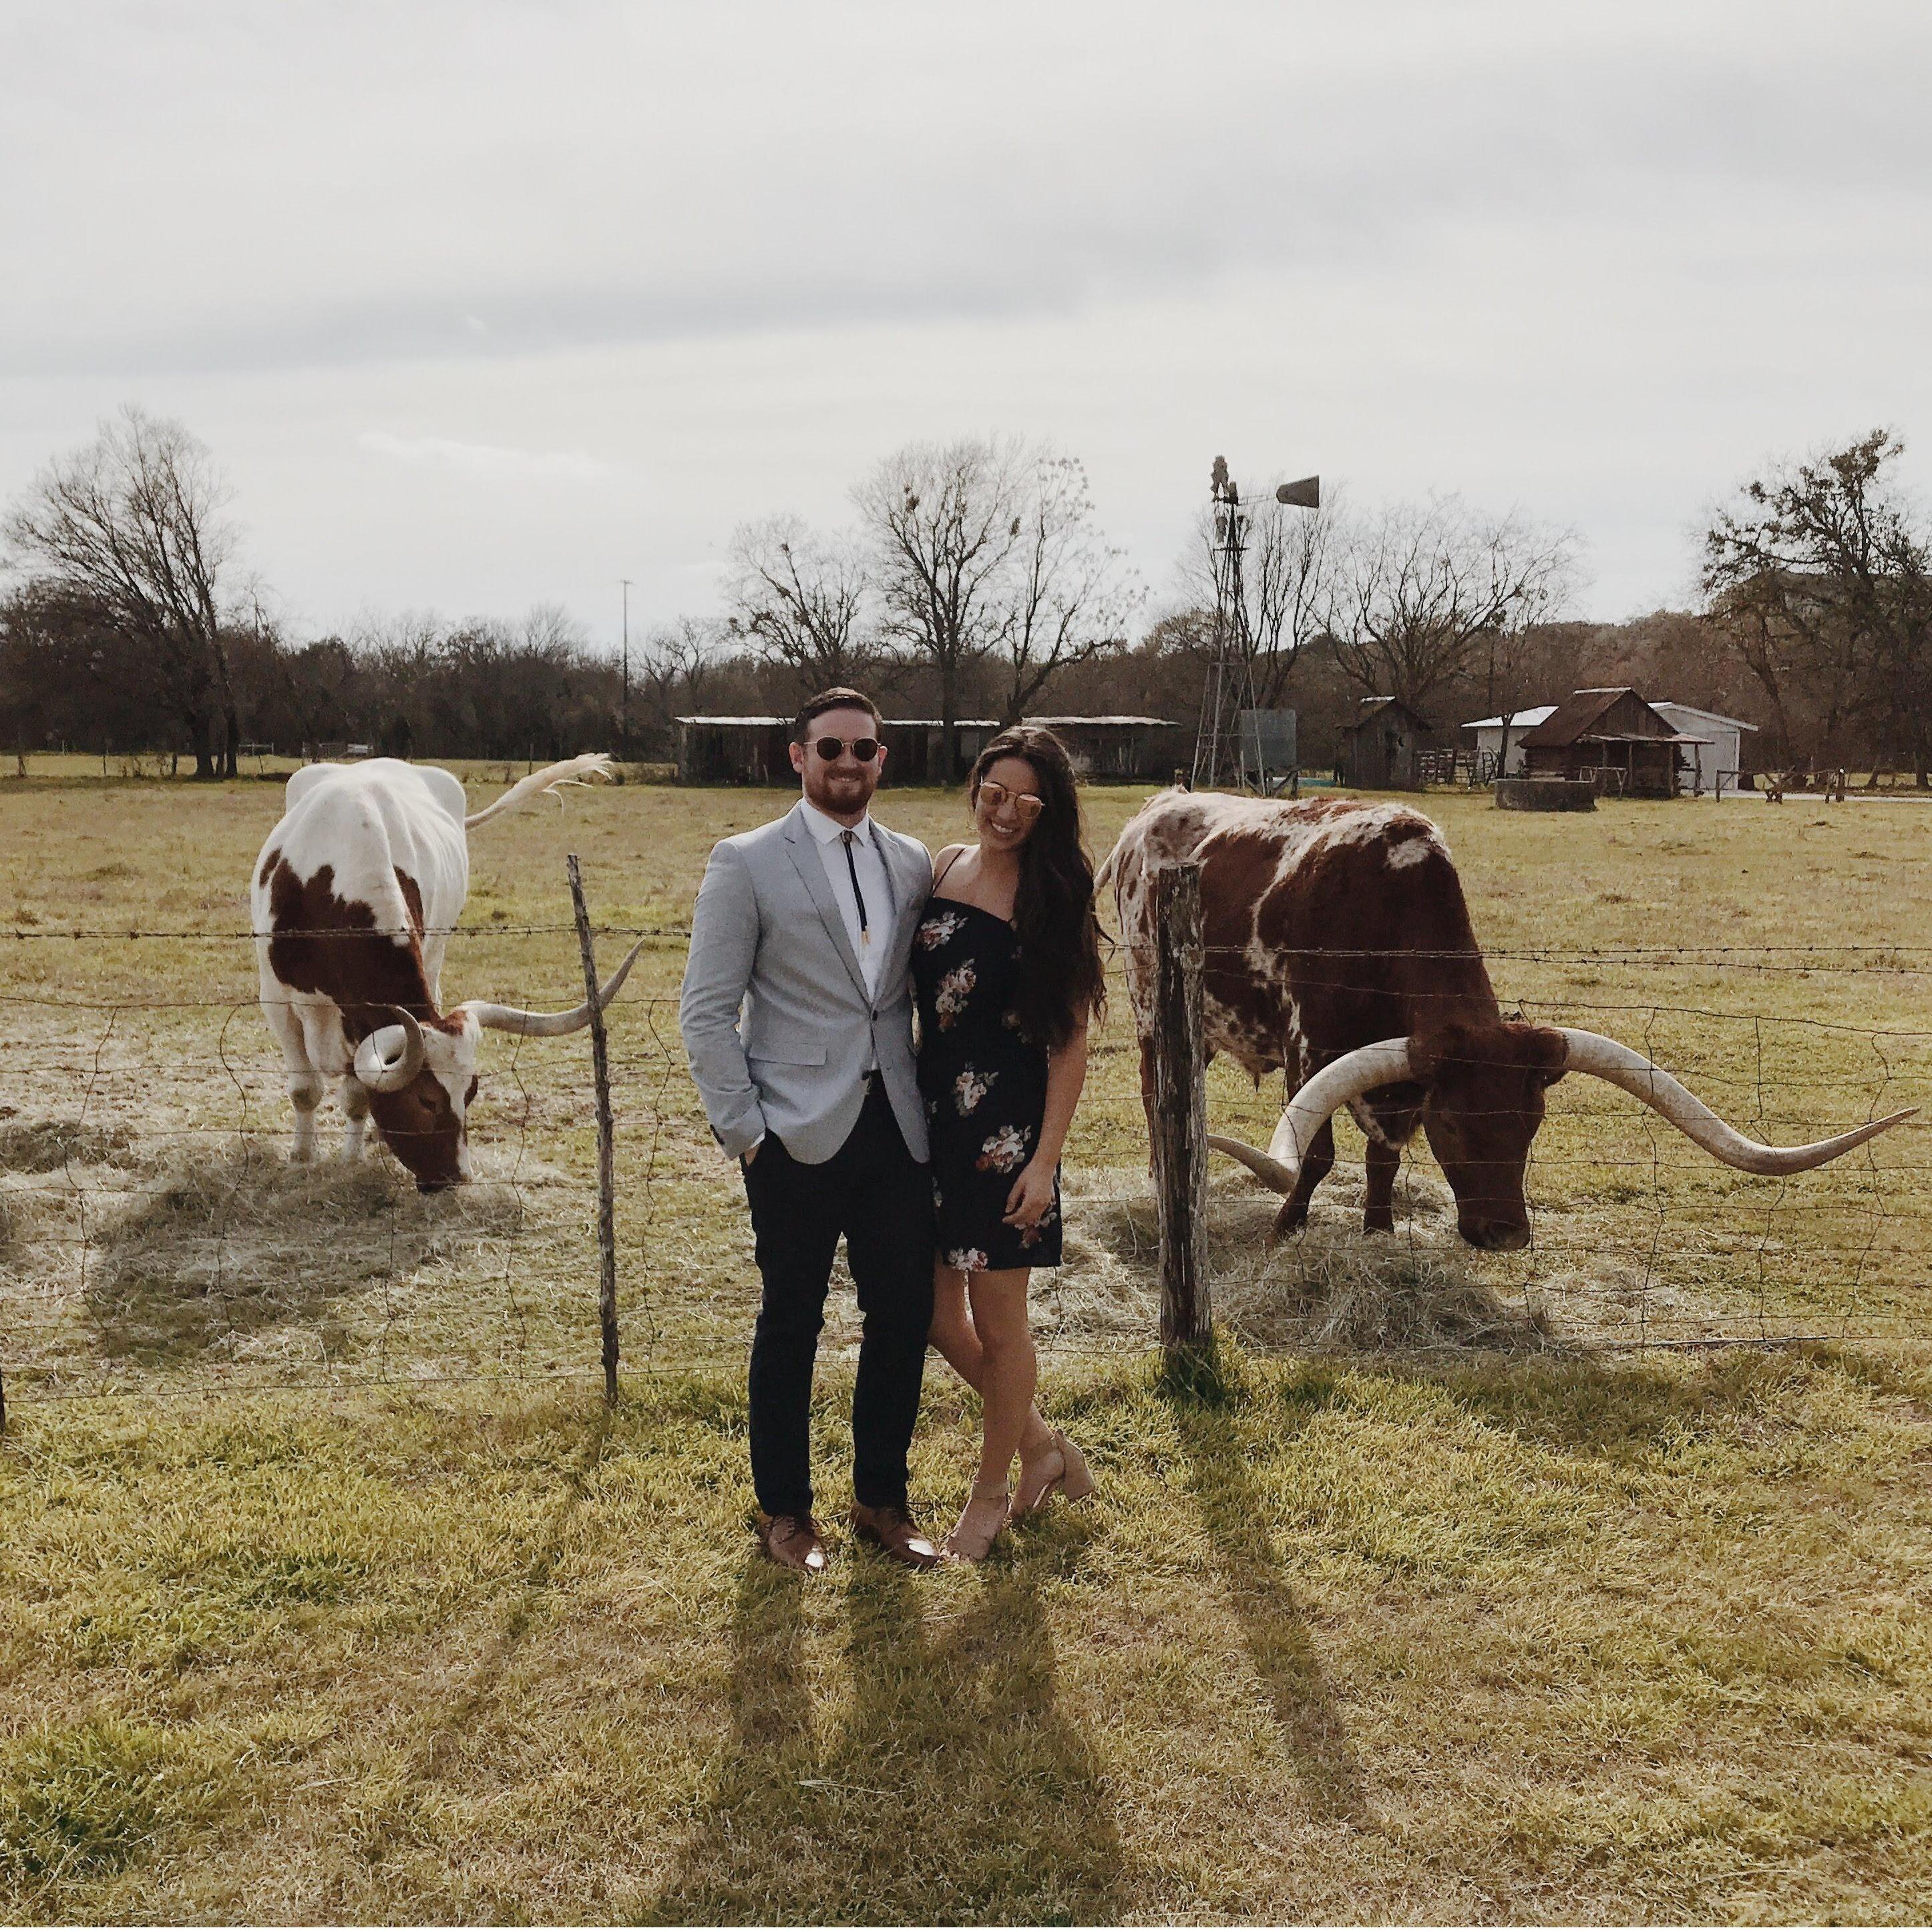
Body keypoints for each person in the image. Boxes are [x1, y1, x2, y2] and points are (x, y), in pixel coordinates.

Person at [679, 689, 941, 1574]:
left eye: (864, 749)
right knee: (790, 1318)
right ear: (797, 756)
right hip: (790, 1133)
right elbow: (706, 1012)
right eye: (829, 747)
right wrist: (744, 1129)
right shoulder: (747, 861)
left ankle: (881, 1498)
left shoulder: (911, 862)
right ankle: (786, 1511)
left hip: (896, 1129)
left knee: (901, 1315)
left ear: (882, 759)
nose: (847, 762)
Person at [912, 724, 1105, 1561]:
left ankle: (991, 1493)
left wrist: (1044, 1160)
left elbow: (1069, 1043)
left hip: (1005, 1137)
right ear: (975, 790)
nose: (1004, 814)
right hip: (926, 1121)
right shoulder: (942, 866)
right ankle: (1042, 1447)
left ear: (1048, 810)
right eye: (993, 795)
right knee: (930, 1315)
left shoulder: (1052, 894)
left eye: (1025, 803)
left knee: (1000, 1325)